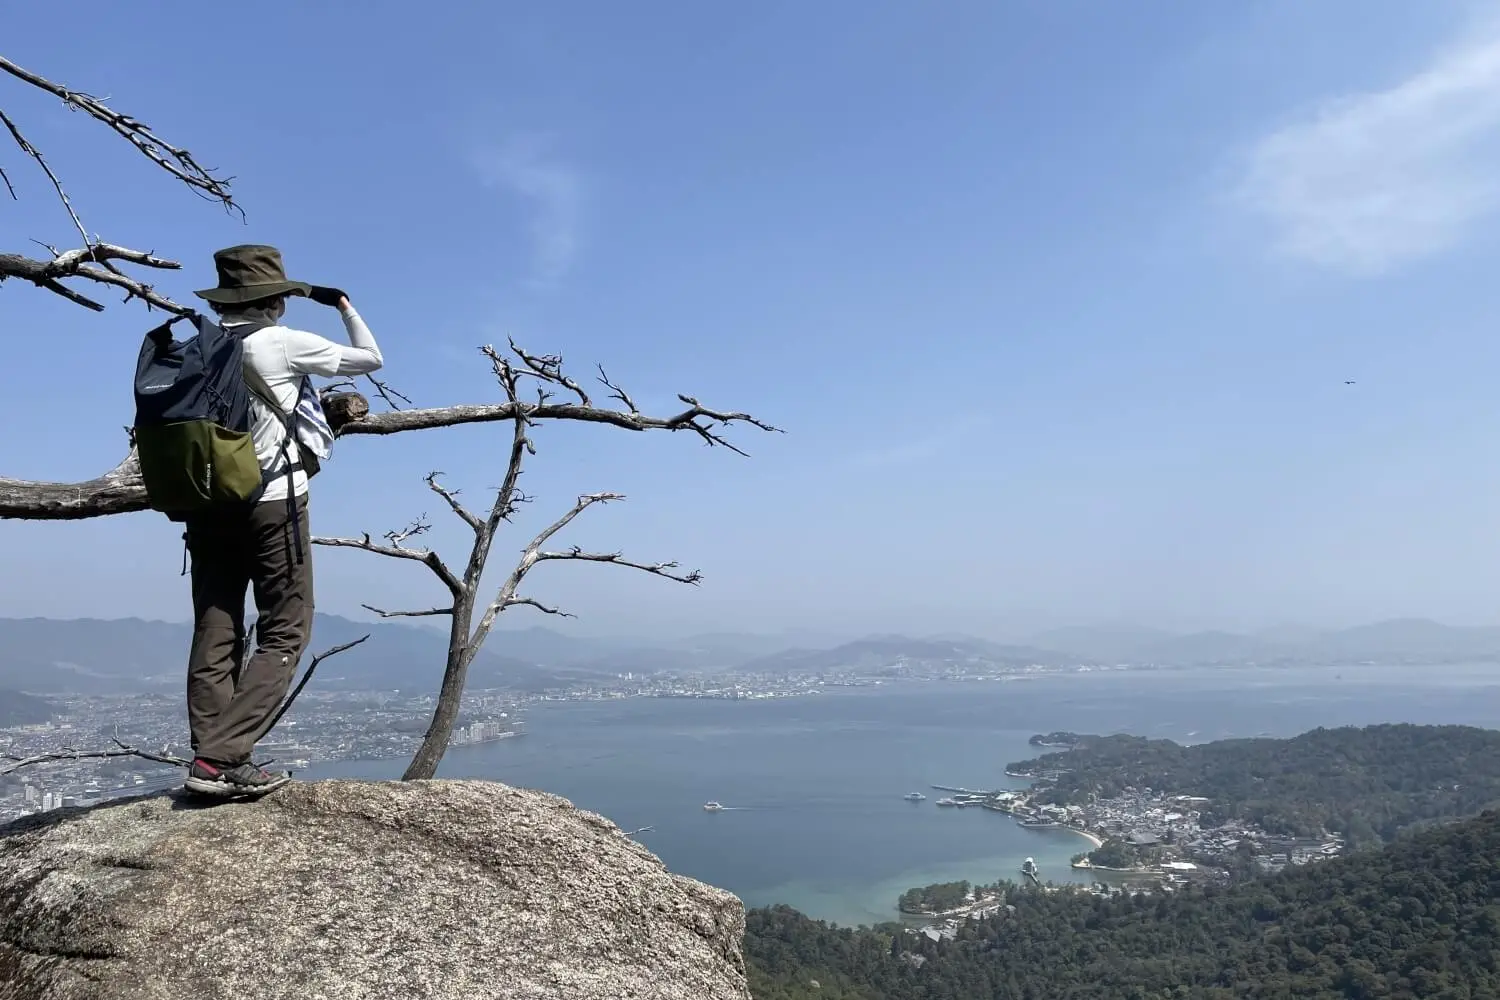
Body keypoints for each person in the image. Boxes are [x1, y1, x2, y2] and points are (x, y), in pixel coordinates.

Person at [181, 244, 384, 797]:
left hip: (207, 505)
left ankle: (212, 757)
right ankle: (221, 757)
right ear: (276, 300)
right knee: (285, 629)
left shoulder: (200, 345)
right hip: (274, 502)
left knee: (216, 624)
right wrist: (343, 305)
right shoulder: (281, 342)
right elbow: (371, 359)